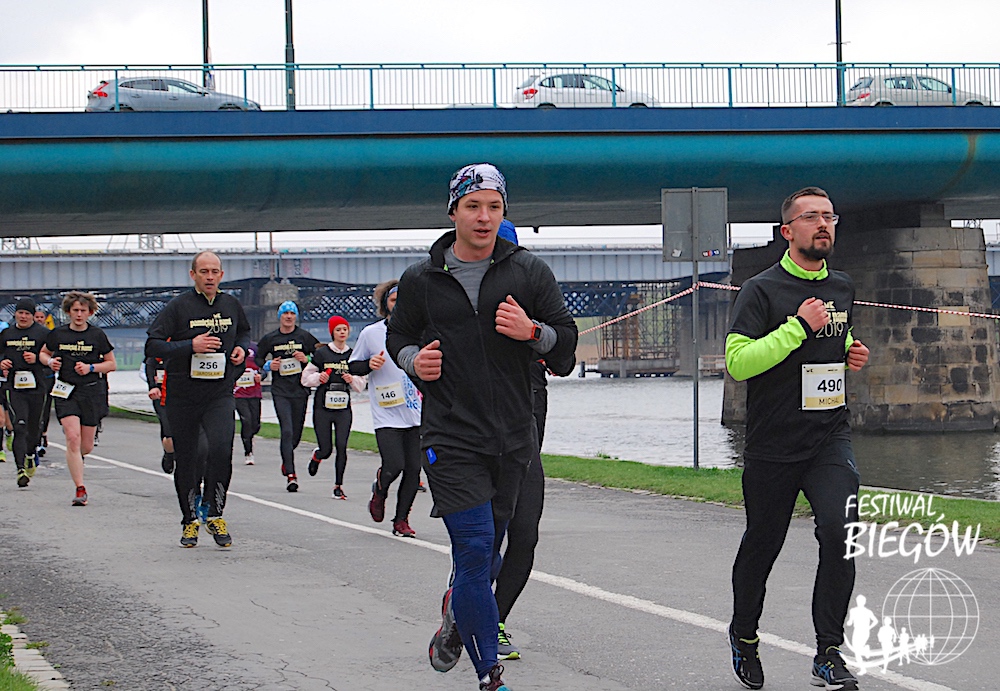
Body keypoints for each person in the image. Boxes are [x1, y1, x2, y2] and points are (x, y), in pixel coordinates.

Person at [386, 163, 578, 691]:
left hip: (514, 436)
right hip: (450, 436)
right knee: (473, 550)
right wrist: (413, 361)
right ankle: (490, 675)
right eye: (473, 206)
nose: (484, 216)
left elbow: (565, 348)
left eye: (494, 207)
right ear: (454, 212)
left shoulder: (529, 273)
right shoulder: (421, 280)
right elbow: (397, 337)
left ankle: (458, 616)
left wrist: (532, 331)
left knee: (492, 550)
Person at [726, 187, 870, 691]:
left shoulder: (843, 286)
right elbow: (739, 363)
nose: (823, 224)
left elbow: (836, 337)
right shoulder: (760, 291)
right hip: (774, 443)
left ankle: (828, 652)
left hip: (829, 436)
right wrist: (796, 328)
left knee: (840, 532)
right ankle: (744, 636)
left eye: (829, 216)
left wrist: (850, 350)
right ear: (788, 231)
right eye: (811, 217)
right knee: (762, 545)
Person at [145, 251, 250, 548]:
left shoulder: (231, 304)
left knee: (221, 449)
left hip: (219, 392)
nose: (210, 277)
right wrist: (190, 345)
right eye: (204, 271)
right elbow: (153, 345)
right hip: (183, 395)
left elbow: (244, 333)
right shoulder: (178, 307)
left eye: (215, 271)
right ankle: (189, 519)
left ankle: (215, 514)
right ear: (193, 275)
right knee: (189, 458)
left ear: (221, 275)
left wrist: (242, 349)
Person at [490, 221, 548, 661]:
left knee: (524, 535)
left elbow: (563, 351)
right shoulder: (457, 297)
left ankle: (496, 619)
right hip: (475, 438)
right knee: (482, 540)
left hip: (524, 440)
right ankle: (465, 605)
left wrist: (534, 332)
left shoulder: (536, 297)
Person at [349, 280, 422, 537]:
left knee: (414, 470)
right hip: (387, 411)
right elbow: (353, 366)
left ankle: (401, 520)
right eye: (393, 300)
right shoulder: (372, 333)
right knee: (394, 465)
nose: (399, 304)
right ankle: (380, 490)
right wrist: (369, 364)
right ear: (385, 304)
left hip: (416, 410)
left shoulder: (420, 331)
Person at [40, 291, 117, 506]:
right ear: (68, 312)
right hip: (66, 391)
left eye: (83, 310)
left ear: (90, 313)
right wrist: (50, 362)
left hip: (91, 391)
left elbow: (111, 364)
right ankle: (80, 489)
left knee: (86, 446)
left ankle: (80, 453)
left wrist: (91, 368)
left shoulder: (97, 335)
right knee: (72, 437)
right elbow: (43, 353)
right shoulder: (58, 334)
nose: (79, 314)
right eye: (75, 310)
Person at [255, 301, 319, 492]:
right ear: (280, 317)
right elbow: (258, 357)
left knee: (296, 435)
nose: (289, 316)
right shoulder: (271, 338)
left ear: (295, 316)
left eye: (292, 313)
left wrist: (307, 359)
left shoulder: (304, 336)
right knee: (287, 431)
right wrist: (268, 366)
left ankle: (286, 459)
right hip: (280, 390)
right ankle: (291, 475)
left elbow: (321, 355)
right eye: (285, 313)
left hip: (300, 390)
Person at [301, 316, 363, 499]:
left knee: (342, 446)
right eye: (338, 329)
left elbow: (361, 384)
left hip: (343, 408)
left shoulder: (353, 355)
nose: (342, 332)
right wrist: (318, 378)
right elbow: (305, 379)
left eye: (345, 329)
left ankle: (338, 485)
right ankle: (318, 456)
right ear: (332, 333)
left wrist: (352, 379)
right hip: (323, 407)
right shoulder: (322, 354)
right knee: (326, 449)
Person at [0, 298, 51, 487]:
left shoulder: (43, 334)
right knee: (19, 425)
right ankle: (20, 469)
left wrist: (37, 359)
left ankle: (30, 454)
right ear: (15, 314)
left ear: (32, 315)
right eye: (20, 313)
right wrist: (2, 363)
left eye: (27, 313)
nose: (23, 316)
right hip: (14, 387)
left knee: (34, 427)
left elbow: (53, 359)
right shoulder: (7, 334)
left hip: (37, 386)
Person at [143, 355, 175, 473]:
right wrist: (152, 385)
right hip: (161, 395)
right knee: (168, 431)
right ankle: (169, 454)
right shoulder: (161, 349)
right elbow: (149, 365)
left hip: (183, 394)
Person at [234, 343, 264, 465]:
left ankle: (250, 436)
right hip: (238, 393)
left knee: (255, 424)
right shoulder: (232, 346)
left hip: (254, 393)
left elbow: (263, 366)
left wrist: (261, 376)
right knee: (246, 420)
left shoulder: (255, 348)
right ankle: (248, 452)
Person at [32, 309, 54, 458]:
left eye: (41, 317)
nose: (39, 319)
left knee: (46, 405)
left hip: (48, 375)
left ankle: (43, 433)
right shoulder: (29, 334)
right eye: (37, 317)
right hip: (33, 374)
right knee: (35, 405)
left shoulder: (49, 334)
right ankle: (35, 436)